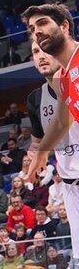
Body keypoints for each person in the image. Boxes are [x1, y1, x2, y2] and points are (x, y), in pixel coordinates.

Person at [25, 36, 79, 233]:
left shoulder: (76, 80)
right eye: (36, 52)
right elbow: (37, 145)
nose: (41, 56)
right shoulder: (35, 99)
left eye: (46, 49)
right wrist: (34, 154)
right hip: (71, 188)